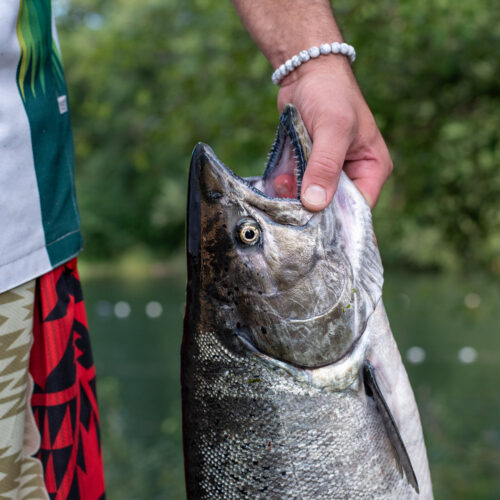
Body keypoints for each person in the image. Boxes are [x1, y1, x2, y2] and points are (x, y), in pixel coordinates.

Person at [0, 0, 391, 498]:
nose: (247, 233)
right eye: (248, 236)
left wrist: (310, 57)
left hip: (17, 233)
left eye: (247, 236)